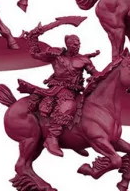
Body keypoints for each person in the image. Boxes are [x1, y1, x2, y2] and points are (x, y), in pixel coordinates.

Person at [20, 25, 99, 157]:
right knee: (68, 105)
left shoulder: (83, 59)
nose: (77, 46)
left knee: (88, 108)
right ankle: (52, 137)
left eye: (78, 43)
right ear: (68, 45)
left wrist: (97, 77)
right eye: (74, 44)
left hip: (77, 89)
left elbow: (95, 73)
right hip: (60, 88)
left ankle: (73, 140)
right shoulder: (56, 55)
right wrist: (33, 39)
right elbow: (35, 54)